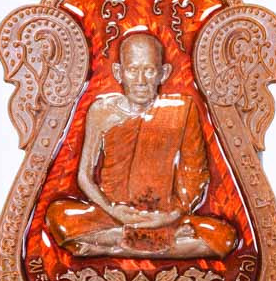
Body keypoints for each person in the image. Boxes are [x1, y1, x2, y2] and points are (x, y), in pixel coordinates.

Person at [46, 33, 237, 258]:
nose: (140, 80)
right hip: (111, 215)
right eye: (132, 70)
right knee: (58, 215)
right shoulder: (101, 111)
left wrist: (169, 216)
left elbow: (194, 175)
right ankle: (159, 244)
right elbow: (84, 177)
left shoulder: (182, 110)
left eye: (149, 70)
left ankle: (114, 246)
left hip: (163, 216)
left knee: (223, 237)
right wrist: (113, 210)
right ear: (119, 72)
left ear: (163, 73)